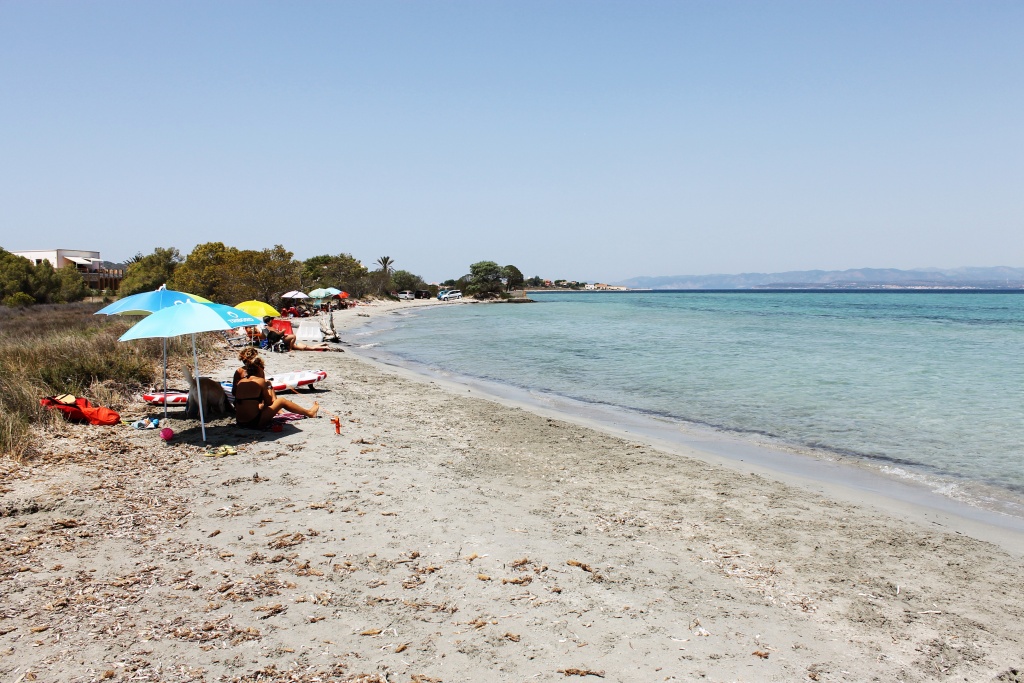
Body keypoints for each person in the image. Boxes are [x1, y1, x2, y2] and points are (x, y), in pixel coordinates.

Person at [233, 347, 320, 428]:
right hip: (254, 422)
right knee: (281, 401)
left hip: (240, 422)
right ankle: (310, 413)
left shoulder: (241, 381)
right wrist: (269, 388)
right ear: (260, 368)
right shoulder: (260, 381)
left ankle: (285, 411)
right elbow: (269, 402)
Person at [261, 316, 338, 352]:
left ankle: (323, 346)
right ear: (268, 321)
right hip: (281, 341)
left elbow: (268, 336)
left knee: (309, 347)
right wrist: (283, 331)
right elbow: (277, 334)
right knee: (308, 347)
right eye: (271, 320)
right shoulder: (269, 327)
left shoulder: (267, 328)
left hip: (281, 341)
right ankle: (325, 347)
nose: (272, 321)